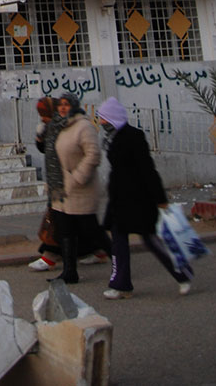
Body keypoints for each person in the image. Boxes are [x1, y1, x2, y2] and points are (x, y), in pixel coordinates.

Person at [97, 96, 192, 299]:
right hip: (119, 201)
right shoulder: (110, 138)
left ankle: (182, 274)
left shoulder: (133, 136)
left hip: (138, 200)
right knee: (119, 242)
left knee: (152, 241)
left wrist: (160, 198)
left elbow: (147, 169)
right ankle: (121, 285)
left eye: (104, 118)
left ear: (113, 118)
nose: (101, 122)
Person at [46, 93, 111, 285]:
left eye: (66, 104)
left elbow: (93, 155)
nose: (63, 108)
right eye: (60, 104)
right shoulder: (59, 126)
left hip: (80, 189)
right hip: (60, 188)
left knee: (91, 230)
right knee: (65, 231)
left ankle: (119, 261)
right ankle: (69, 271)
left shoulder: (83, 126)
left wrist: (78, 177)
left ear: (74, 106)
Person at [29, 97, 61, 271]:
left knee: (57, 219)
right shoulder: (49, 127)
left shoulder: (62, 127)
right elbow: (44, 149)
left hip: (66, 184)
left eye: (44, 114)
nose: (42, 118)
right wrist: (40, 137)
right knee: (75, 223)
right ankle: (99, 251)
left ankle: (49, 255)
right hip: (57, 181)